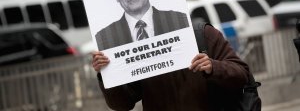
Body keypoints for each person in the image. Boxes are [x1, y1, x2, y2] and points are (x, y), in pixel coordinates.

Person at [92, 24, 250, 111]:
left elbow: (241, 74)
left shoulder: (203, 36)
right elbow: (122, 104)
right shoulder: (136, 47)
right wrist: (106, 73)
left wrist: (213, 67)